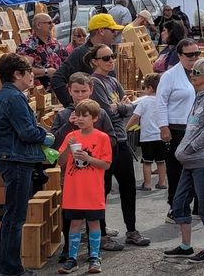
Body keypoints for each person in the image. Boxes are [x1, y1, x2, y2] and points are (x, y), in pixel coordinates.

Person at [0, 53, 55, 276]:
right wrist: (46, 136)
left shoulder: (1, 96)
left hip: (9, 158)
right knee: (15, 217)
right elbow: (27, 132)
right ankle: (10, 269)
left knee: (11, 215)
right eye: (28, 71)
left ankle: (8, 267)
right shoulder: (14, 97)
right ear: (17, 74)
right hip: (18, 160)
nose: (32, 75)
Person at [87, 44, 150, 249]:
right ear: (95, 61)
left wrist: (120, 107)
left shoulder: (113, 81)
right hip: (106, 141)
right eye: (105, 58)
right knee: (102, 189)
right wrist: (122, 107)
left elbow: (130, 107)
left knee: (128, 187)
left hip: (121, 140)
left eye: (112, 56)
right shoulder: (95, 82)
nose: (111, 60)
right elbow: (106, 111)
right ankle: (102, 235)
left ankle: (131, 230)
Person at [50, 73, 116, 265]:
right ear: (69, 91)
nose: (80, 95)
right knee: (72, 220)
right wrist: (68, 126)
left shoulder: (100, 116)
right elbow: (55, 146)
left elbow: (111, 141)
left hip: (93, 182)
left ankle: (94, 254)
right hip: (72, 182)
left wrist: (90, 154)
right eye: (76, 91)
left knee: (93, 221)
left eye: (83, 91)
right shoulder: (64, 116)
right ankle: (69, 253)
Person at [165, 58, 204, 264]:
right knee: (179, 203)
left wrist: (190, 148)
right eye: (193, 71)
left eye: (197, 72)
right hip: (190, 161)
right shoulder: (199, 96)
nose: (192, 74)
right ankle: (185, 245)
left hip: (203, 160)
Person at [155, 38, 200, 221]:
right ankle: (175, 206)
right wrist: (163, 127)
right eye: (190, 55)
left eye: (197, 53)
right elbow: (160, 102)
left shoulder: (201, 71)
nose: (194, 57)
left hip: (197, 128)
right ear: (180, 56)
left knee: (199, 168)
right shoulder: (169, 76)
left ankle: (198, 206)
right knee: (176, 171)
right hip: (176, 127)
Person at [52, 14, 124, 108]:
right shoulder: (80, 53)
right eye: (113, 30)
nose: (115, 34)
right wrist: (72, 105)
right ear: (101, 31)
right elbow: (57, 79)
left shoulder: (108, 50)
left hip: (108, 111)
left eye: (112, 57)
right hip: (91, 114)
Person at [127, 74, 167, 191]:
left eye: (144, 88)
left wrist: (126, 128)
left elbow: (135, 117)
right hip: (161, 135)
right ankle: (162, 182)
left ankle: (147, 184)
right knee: (161, 161)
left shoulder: (144, 102)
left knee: (147, 162)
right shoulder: (163, 101)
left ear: (150, 88)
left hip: (147, 136)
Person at [16, 12, 69, 90]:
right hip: (40, 91)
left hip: (61, 87)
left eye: (53, 22)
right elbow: (23, 70)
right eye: (49, 23)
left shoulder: (56, 43)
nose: (52, 25)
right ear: (39, 25)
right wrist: (46, 71)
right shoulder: (27, 47)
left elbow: (67, 61)